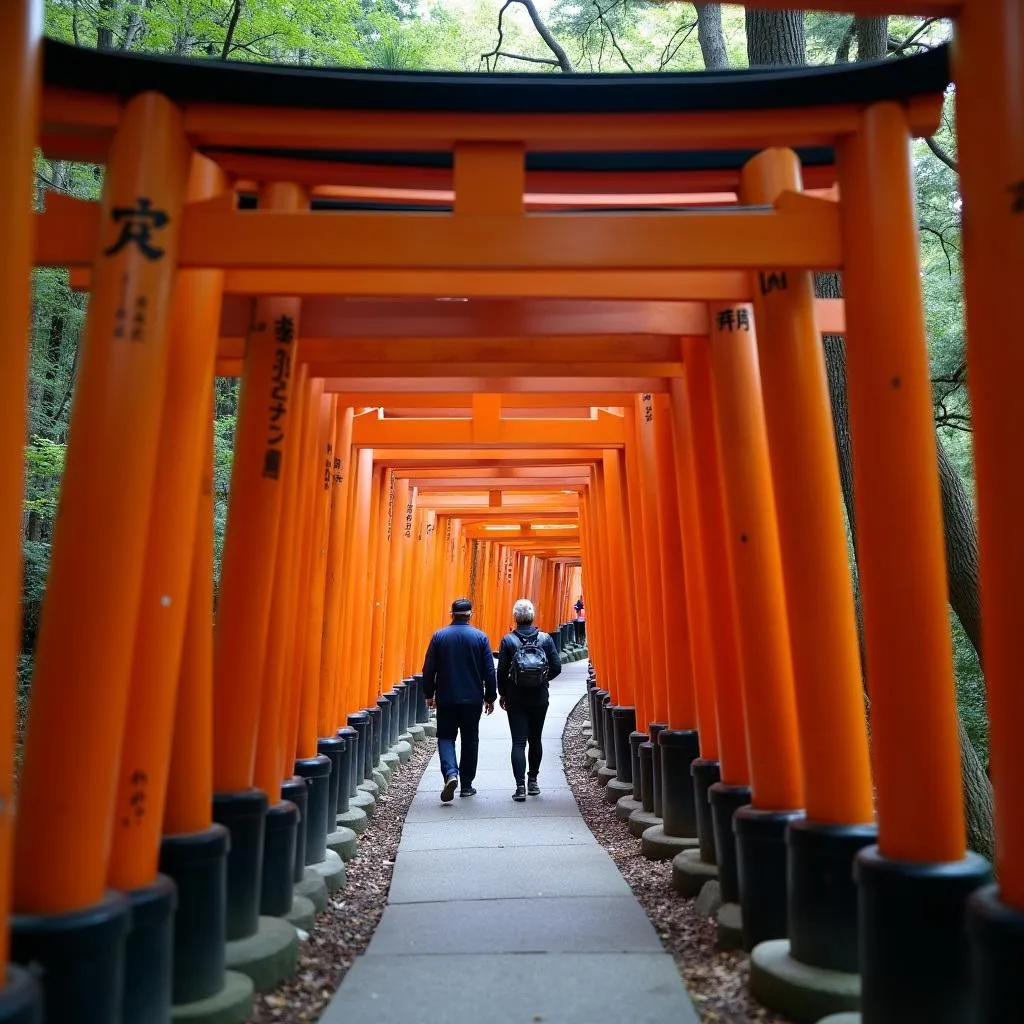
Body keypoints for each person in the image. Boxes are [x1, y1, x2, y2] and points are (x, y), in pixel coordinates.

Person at [421, 597, 497, 802]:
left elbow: (428, 669)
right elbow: (490, 672)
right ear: (470, 615)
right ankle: (467, 785)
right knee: (470, 739)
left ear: (451, 614)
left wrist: (429, 694)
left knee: (446, 736)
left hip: (446, 697)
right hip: (472, 699)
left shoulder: (439, 637)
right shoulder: (480, 638)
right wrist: (491, 697)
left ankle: (450, 774)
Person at [496, 599, 562, 802]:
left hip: (516, 697)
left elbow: (501, 671)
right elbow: (556, 667)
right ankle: (533, 781)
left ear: (515, 617)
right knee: (535, 739)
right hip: (539, 698)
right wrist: (542, 680)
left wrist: (503, 694)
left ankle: (520, 787)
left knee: (518, 742)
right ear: (533, 616)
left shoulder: (508, 641)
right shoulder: (545, 639)